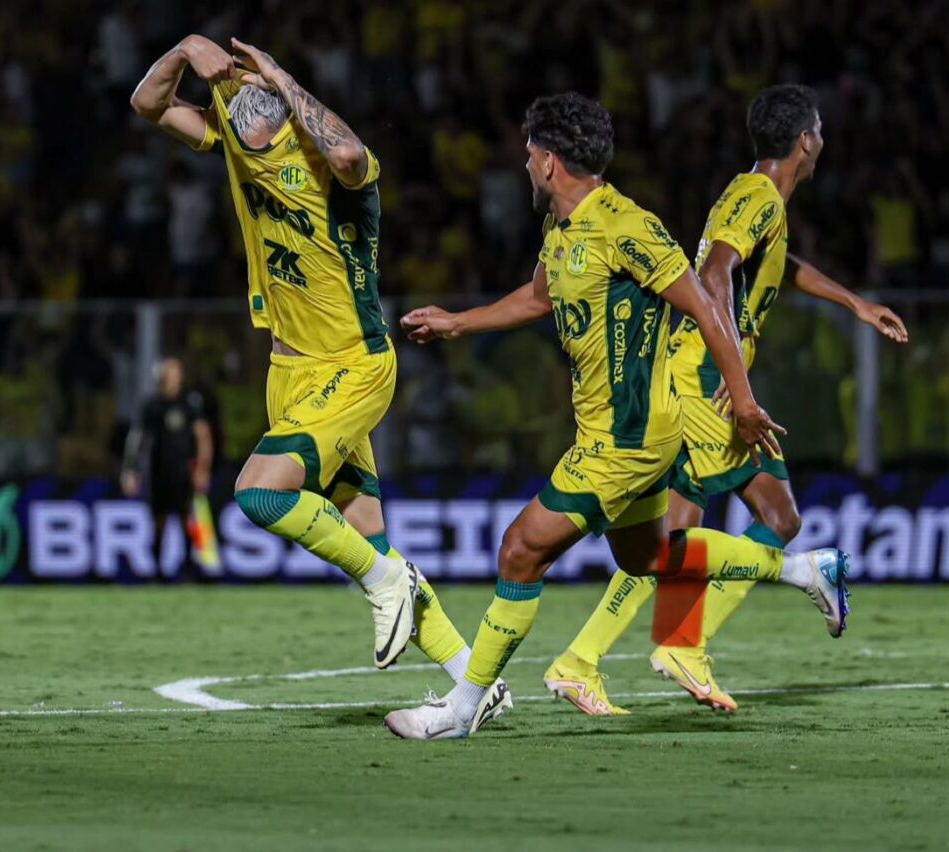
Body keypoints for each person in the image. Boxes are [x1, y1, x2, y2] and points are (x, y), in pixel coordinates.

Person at [385, 92, 849, 740]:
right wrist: (459, 322)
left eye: (529, 155)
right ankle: (803, 569)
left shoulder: (626, 225)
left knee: (520, 550)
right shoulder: (562, 229)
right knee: (647, 557)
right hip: (614, 429)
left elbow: (706, 304)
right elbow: (539, 296)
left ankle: (463, 709)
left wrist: (743, 401)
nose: (525, 166)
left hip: (628, 437)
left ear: (550, 161)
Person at [130, 35, 510, 730]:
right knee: (367, 537)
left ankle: (388, 583)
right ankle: (473, 682)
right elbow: (148, 103)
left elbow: (349, 154)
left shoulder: (336, 171)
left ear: (280, 102)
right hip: (289, 372)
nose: (233, 101)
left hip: (353, 365)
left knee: (259, 494)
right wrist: (185, 50)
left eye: (250, 90)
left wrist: (279, 72)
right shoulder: (233, 141)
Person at [545, 84, 908, 716]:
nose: (822, 141)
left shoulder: (755, 196)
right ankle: (684, 642)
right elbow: (715, 270)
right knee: (779, 518)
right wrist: (735, 377)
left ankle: (583, 660)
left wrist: (854, 302)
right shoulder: (760, 196)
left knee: (674, 535)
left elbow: (777, 263)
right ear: (806, 141)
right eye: (820, 131)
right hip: (704, 378)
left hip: (691, 372)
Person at [121, 357, 212, 577]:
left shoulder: (190, 403)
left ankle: (189, 567)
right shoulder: (152, 406)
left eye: (176, 374)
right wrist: (130, 469)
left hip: (184, 472)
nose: (172, 379)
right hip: (158, 471)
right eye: (168, 375)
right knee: (158, 521)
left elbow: (203, 436)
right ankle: (158, 571)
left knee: (187, 519)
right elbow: (138, 438)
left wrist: (202, 468)